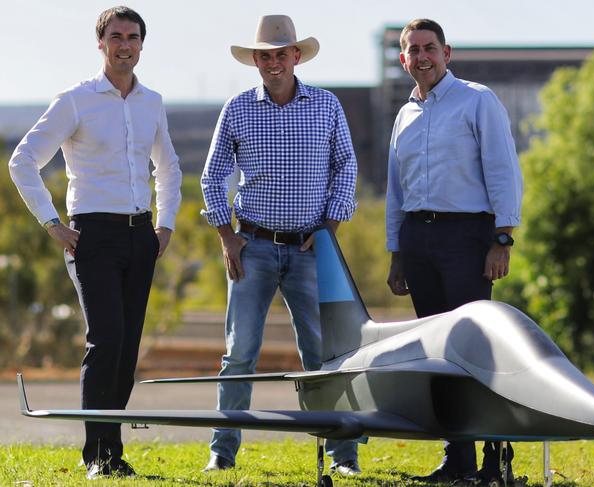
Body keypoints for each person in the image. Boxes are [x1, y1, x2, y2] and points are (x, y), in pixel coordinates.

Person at [8, 6, 182, 480]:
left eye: (133, 37)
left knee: (126, 350)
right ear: (101, 43)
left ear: (142, 44)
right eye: (116, 36)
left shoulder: (152, 101)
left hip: (141, 235)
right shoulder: (75, 100)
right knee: (105, 340)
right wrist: (52, 224)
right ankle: (97, 457)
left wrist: (165, 224)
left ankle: (112, 449)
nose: (125, 45)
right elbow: (23, 161)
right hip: (92, 235)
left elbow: (168, 166)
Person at [200, 14, 361, 477]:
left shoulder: (327, 105)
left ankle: (343, 456)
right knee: (240, 351)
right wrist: (226, 234)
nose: (273, 62)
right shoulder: (237, 108)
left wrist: (330, 227)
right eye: (265, 56)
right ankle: (222, 451)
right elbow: (212, 176)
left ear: (296, 56)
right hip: (252, 246)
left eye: (281, 54)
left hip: (312, 248)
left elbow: (346, 167)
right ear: (256, 61)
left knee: (323, 353)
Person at [385, 18, 523, 485]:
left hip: (468, 238)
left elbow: (503, 171)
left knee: (474, 352)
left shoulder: (478, 101)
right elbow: (394, 191)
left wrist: (501, 239)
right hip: (418, 241)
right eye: (412, 50)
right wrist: (396, 254)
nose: (421, 57)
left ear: (447, 52)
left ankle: (495, 457)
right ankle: (457, 459)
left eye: (429, 48)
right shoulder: (404, 116)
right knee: (437, 353)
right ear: (403, 59)